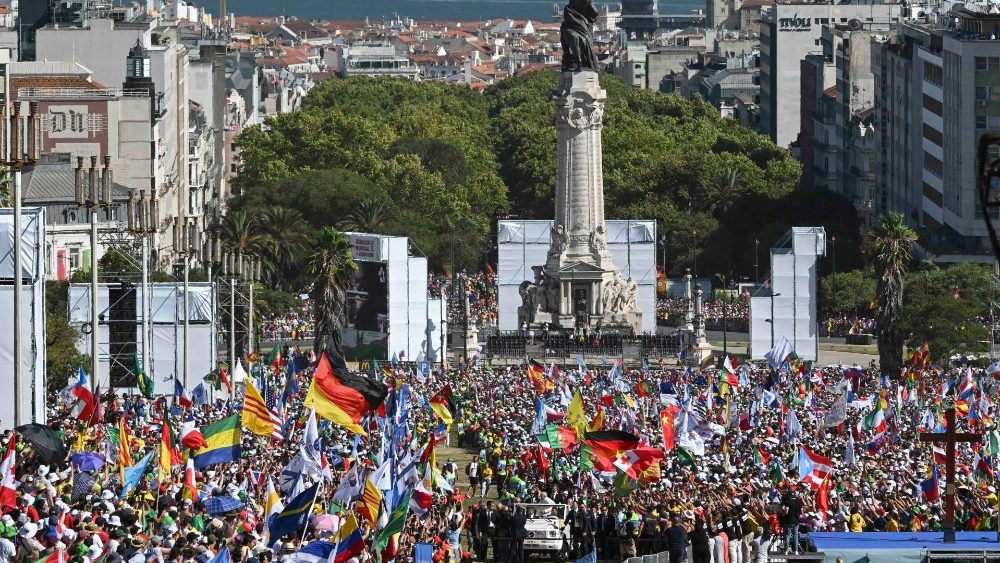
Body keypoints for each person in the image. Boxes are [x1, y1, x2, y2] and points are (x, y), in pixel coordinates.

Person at [782, 487, 804, 555]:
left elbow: (786, 512)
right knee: (795, 536)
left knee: (787, 536)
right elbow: (802, 513)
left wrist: (782, 514)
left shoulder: (787, 502)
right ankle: (796, 551)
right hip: (796, 522)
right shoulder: (799, 503)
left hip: (788, 521)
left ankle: (786, 551)